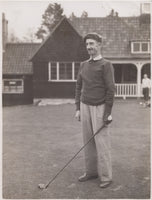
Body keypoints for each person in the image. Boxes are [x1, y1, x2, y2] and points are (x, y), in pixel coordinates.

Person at [75, 32, 115, 188]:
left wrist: (108, 112)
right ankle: (91, 172)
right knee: (88, 142)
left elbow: (110, 89)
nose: (89, 47)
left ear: (99, 45)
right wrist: (78, 108)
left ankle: (106, 177)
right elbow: (78, 86)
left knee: (102, 143)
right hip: (85, 106)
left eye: (92, 44)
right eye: (87, 44)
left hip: (100, 107)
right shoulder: (83, 65)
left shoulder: (106, 65)